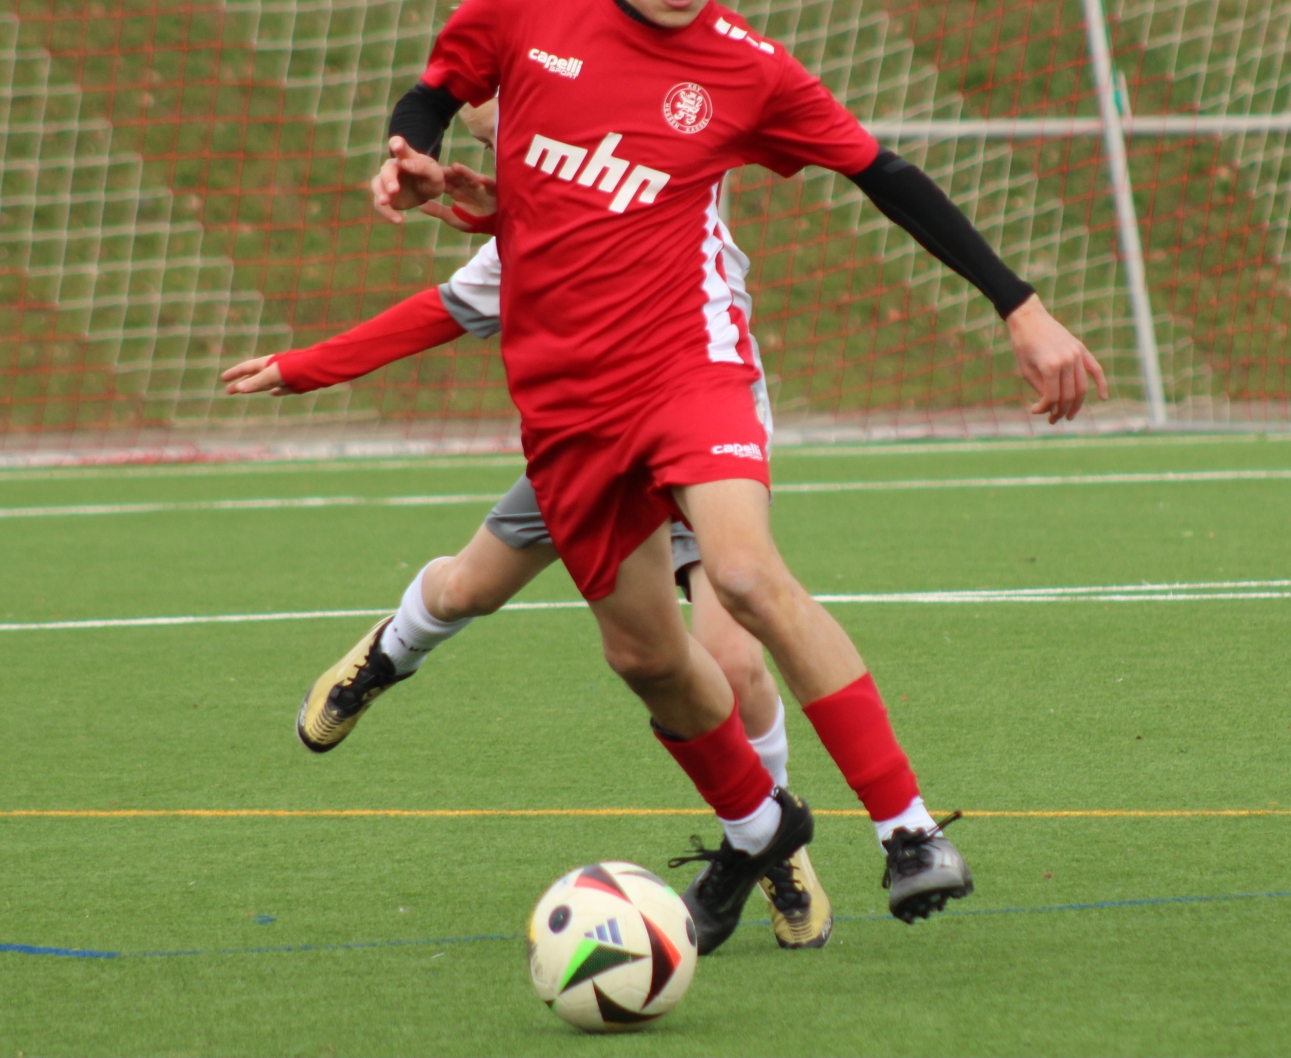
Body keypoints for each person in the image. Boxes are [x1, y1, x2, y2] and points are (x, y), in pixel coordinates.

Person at [258, 0, 1104, 953]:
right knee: (645, 656)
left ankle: (907, 831)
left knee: (745, 583)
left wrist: (1021, 305)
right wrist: (409, 156)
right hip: (568, 413)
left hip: (688, 370)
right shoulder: (522, 10)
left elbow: (887, 174)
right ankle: (761, 827)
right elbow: (435, 92)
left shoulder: (748, 71)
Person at [222, 103, 835, 952]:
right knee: (467, 588)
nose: (502, 152)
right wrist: (302, 367)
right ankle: (388, 653)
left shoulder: (661, 179)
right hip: (591, 448)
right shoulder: (529, 240)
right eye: (489, 138)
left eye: (508, 130)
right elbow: (437, 312)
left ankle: (771, 840)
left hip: (703, 437)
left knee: (733, 659)